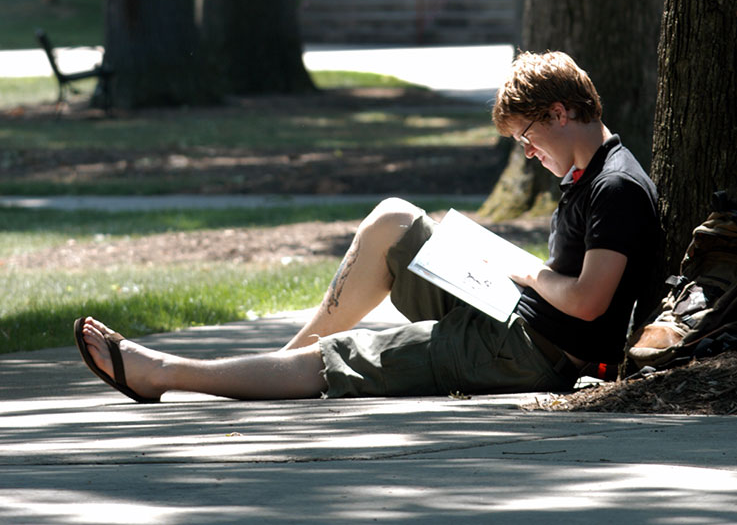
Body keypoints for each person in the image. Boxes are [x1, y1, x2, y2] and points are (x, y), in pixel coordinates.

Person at [75, 50, 659, 404]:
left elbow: (586, 303)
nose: (529, 154)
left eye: (529, 138)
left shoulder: (616, 186)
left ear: (560, 113)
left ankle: (163, 374)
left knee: (345, 356)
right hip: (518, 320)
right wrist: (508, 269)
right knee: (394, 220)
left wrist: (523, 269)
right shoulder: (590, 174)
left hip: (532, 353)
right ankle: (282, 363)